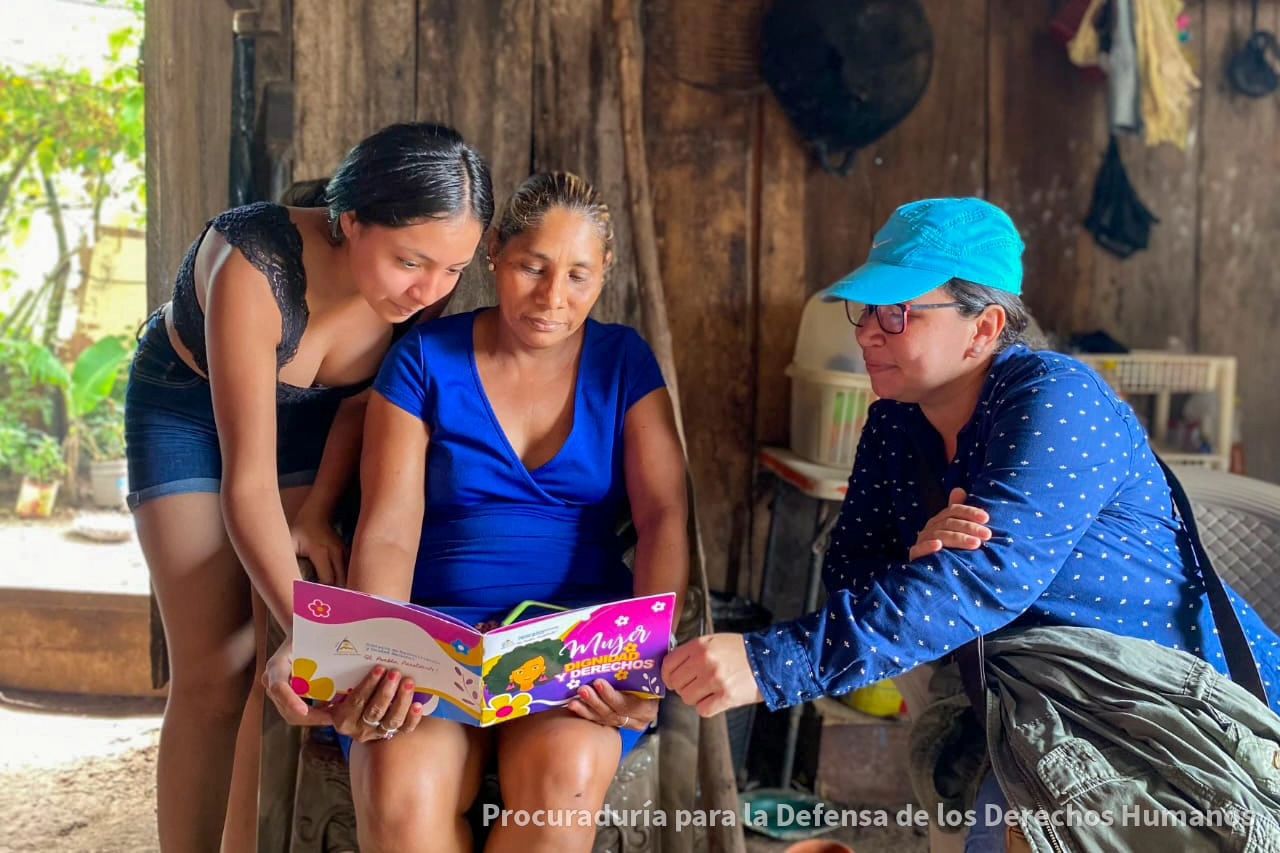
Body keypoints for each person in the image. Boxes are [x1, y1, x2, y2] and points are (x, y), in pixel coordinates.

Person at [661, 197, 1280, 850]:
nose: (867, 331)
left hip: (1167, 702)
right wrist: (927, 562)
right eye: (866, 309)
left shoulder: (1057, 398)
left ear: (983, 328)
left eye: (896, 311)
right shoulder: (896, 422)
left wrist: (768, 664)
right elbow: (853, 569)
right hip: (1032, 703)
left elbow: (983, 582)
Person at [267, 171, 689, 852]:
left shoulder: (623, 364)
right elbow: (390, 526)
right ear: (495, 252)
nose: (554, 297)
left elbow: (665, 514)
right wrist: (379, 657)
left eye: (579, 275)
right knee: (398, 782)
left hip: (574, 648)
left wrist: (645, 666)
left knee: (567, 776)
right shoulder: (424, 359)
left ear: (606, 272)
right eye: (533, 266)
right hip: (435, 639)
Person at [125, 122, 493, 851]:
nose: (430, 288)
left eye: (452, 268)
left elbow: (363, 404)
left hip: (319, 425)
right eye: (410, 261)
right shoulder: (252, 266)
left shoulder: (425, 287)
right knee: (219, 666)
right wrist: (319, 634)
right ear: (350, 220)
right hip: (188, 411)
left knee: (280, 673)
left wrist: (321, 509)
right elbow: (248, 487)